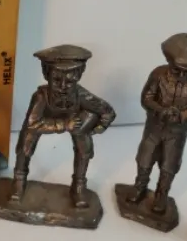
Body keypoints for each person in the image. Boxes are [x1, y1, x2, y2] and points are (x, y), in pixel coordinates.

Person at [11, 45, 116, 208]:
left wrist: (97, 128)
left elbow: (107, 111)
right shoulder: (41, 96)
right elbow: (33, 123)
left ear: (78, 76)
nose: (63, 86)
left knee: (84, 143)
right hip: (45, 121)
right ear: (46, 75)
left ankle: (79, 185)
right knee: (26, 140)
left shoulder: (81, 95)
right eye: (56, 80)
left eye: (70, 81)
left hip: (75, 122)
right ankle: (19, 180)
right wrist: (64, 124)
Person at [125, 34, 187, 213]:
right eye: (176, 70)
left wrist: (183, 116)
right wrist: (160, 110)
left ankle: (161, 195)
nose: (182, 76)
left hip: (177, 134)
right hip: (154, 128)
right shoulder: (158, 74)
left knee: (169, 166)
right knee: (145, 159)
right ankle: (140, 187)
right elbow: (146, 98)